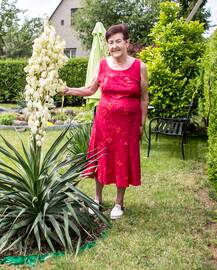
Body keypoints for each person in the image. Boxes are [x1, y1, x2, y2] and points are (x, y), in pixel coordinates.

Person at [63, 24, 149, 219]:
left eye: (118, 41)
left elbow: (144, 98)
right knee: (101, 157)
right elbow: (90, 90)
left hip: (128, 124)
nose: (115, 46)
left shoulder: (139, 67)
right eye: (111, 43)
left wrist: (142, 123)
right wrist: (69, 90)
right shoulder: (102, 64)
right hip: (104, 123)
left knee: (123, 159)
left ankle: (119, 203)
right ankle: (97, 199)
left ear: (127, 42)